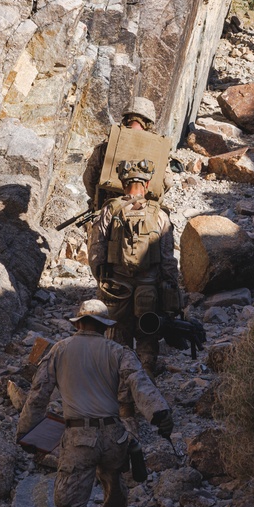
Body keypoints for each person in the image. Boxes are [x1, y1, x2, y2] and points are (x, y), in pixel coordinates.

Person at [17, 298, 172, 507]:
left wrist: (27, 432)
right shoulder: (118, 351)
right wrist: (160, 414)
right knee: (114, 483)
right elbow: (139, 383)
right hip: (113, 435)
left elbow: (38, 394)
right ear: (105, 326)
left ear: (78, 323)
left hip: (78, 439)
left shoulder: (59, 350)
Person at [88, 158, 182, 372]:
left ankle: (122, 381)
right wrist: (169, 289)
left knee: (117, 340)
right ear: (147, 184)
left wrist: (102, 280)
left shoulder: (110, 210)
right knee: (147, 338)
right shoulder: (159, 214)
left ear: (123, 184)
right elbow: (168, 259)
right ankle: (146, 377)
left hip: (116, 288)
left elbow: (96, 252)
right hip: (149, 289)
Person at [81, 97, 169, 210]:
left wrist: (95, 199)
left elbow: (89, 178)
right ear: (149, 123)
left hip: (108, 206)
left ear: (126, 118)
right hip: (143, 209)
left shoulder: (108, 145)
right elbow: (168, 182)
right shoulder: (158, 148)